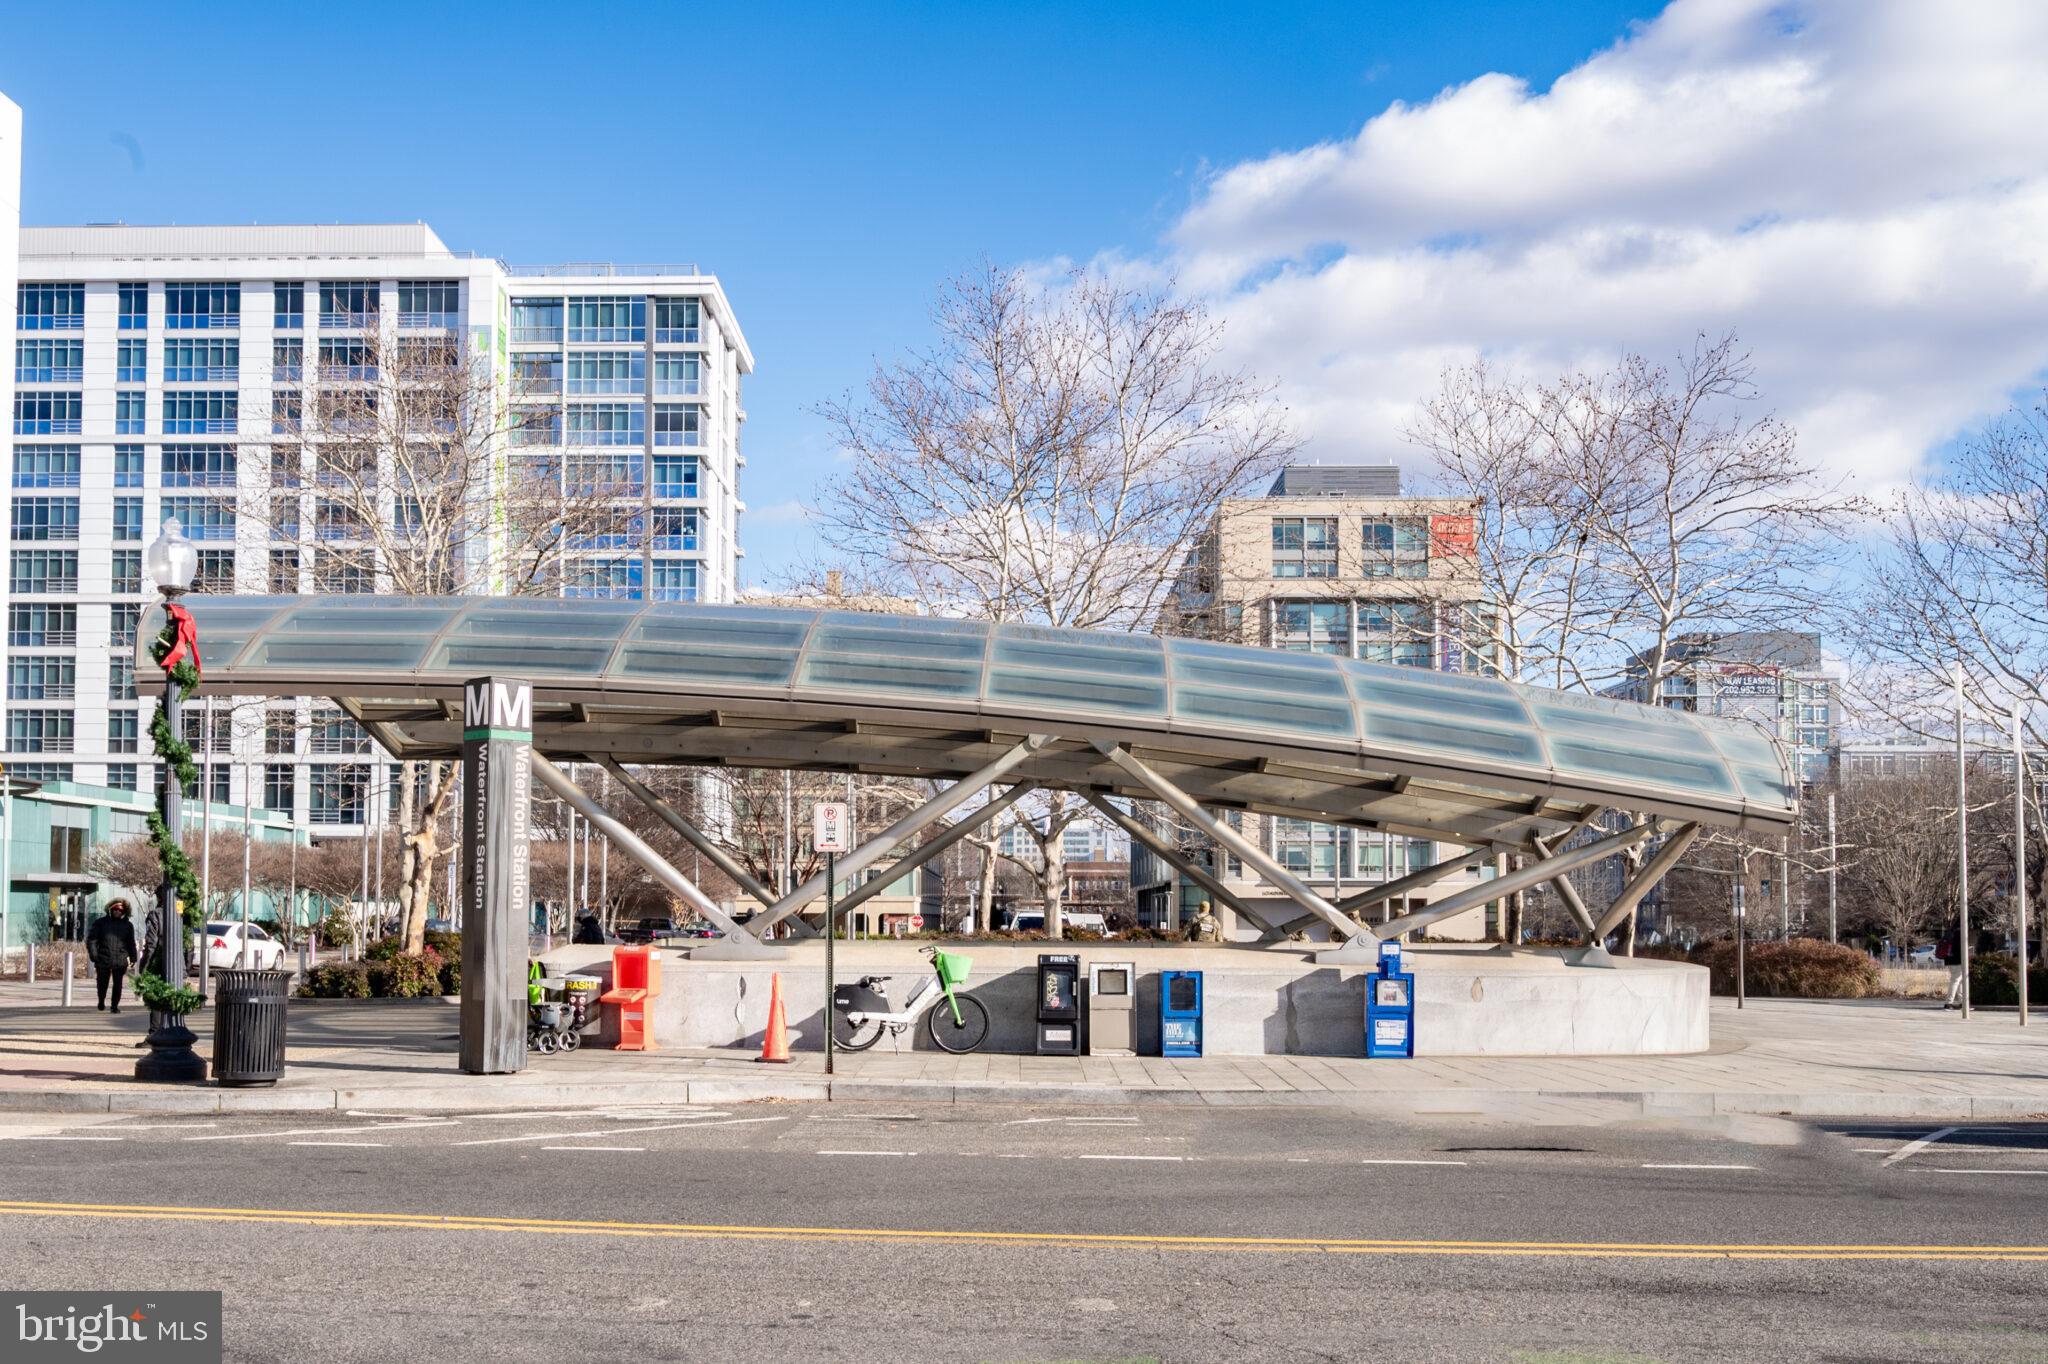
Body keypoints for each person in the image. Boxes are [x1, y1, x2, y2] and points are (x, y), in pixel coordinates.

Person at [86, 900, 139, 1013]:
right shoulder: (100, 923)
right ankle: (101, 1000)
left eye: (120, 910)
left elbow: (131, 943)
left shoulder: (128, 925)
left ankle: (114, 1006)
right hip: (103, 957)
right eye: (115, 909)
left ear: (124, 911)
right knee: (102, 983)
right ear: (110, 910)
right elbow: (92, 940)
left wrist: (133, 957)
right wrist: (94, 955)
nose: (117, 912)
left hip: (120, 958)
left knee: (118, 985)